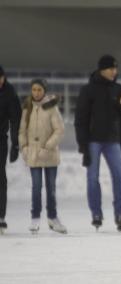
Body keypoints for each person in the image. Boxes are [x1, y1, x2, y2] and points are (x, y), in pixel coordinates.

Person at [74, 55, 121, 232]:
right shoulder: (88, 90)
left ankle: (120, 213)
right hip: (92, 141)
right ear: (102, 69)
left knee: (119, 176)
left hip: (112, 140)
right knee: (92, 177)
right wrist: (83, 144)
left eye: (115, 68)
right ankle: (96, 213)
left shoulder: (118, 88)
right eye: (111, 68)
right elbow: (80, 119)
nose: (114, 72)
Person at [18, 79, 67, 234]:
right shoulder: (27, 108)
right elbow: (22, 131)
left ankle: (53, 217)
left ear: (44, 91)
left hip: (49, 154)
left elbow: (59, 130)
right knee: (36, 187)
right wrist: (24, 147)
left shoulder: (51, 107)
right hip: (33, 154)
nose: (36, 92)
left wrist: (47, 147)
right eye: (34, 89)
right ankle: (35, 217)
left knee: (51, 187)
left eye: (39, 89)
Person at [0, 65, 21, 233]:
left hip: (0, 139)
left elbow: (15, 119)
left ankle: (1, 216)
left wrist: (15, 144)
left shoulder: (9, 92)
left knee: (0, 176)